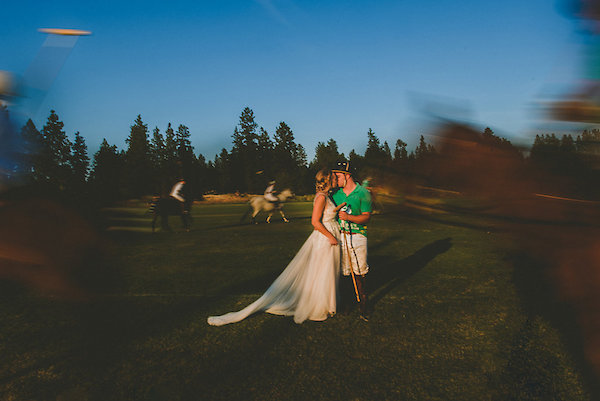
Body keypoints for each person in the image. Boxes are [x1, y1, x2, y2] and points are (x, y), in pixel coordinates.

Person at [207, 169, 344, 326]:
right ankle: (319, 306)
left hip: (329, 235)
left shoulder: (326, 196)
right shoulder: (321, 197)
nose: (336, 180)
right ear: (327, 180)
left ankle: (327, 303)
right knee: (323, 271)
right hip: (325, 238)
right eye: (333, 178)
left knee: (327, 271)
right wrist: (331, 236)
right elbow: (315, 222)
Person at [331, 161, 373, 321]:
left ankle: (363, 303)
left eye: (338, 175)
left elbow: (366, 216)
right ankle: (347, 303)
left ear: (347, 175)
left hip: (358, 236)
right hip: (340, 235)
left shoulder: (363, 193)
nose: (335, 178)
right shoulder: (336, 194)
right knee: (344, 270)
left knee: (359, 270)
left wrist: (349, 217)